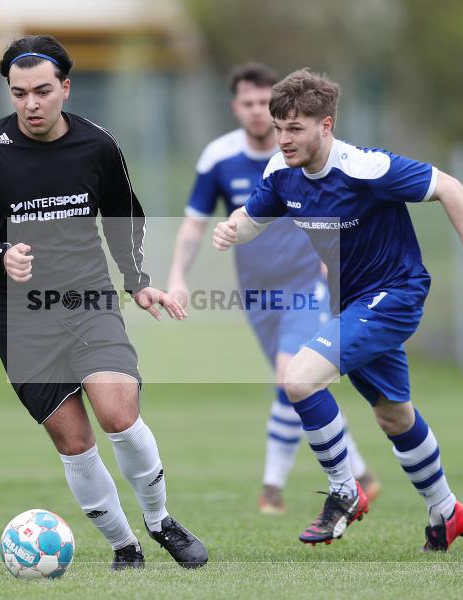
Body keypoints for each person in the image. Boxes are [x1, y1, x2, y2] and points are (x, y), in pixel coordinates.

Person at [0, 34, 207, 569]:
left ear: (65, 87)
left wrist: (136, 279)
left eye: (41, 91)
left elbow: (125, 215)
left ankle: (160, 522)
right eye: (18, 94)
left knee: (118, 414)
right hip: (17, 318)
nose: (30, 104)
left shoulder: (98, 145)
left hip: (88, 302)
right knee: (73, 439)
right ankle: (124, 549)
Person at [213, 68, 463, 551]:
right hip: (352, 304)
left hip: (396, 294)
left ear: (326, 125)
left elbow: (450, 187)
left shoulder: (366, 168)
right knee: (394, 416)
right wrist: (231, 230)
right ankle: (446, 510)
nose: (283, 138)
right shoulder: (281, 173)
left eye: (295, 128)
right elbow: (251, 219)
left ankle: (345, 492)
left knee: (299, 378)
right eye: (279, 127)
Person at [167, 63, 379, 515]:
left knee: (291, 379)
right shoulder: (218, 158)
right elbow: (193, 225)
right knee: (296, 386)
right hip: (256, 295)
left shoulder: (303, 154)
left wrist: (334, 264)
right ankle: (359, 474)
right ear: (235, 107)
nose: (258, 113)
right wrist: (178, 276)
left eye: (266, 104)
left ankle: (273, 488)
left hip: (306, 283)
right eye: (248, 103)